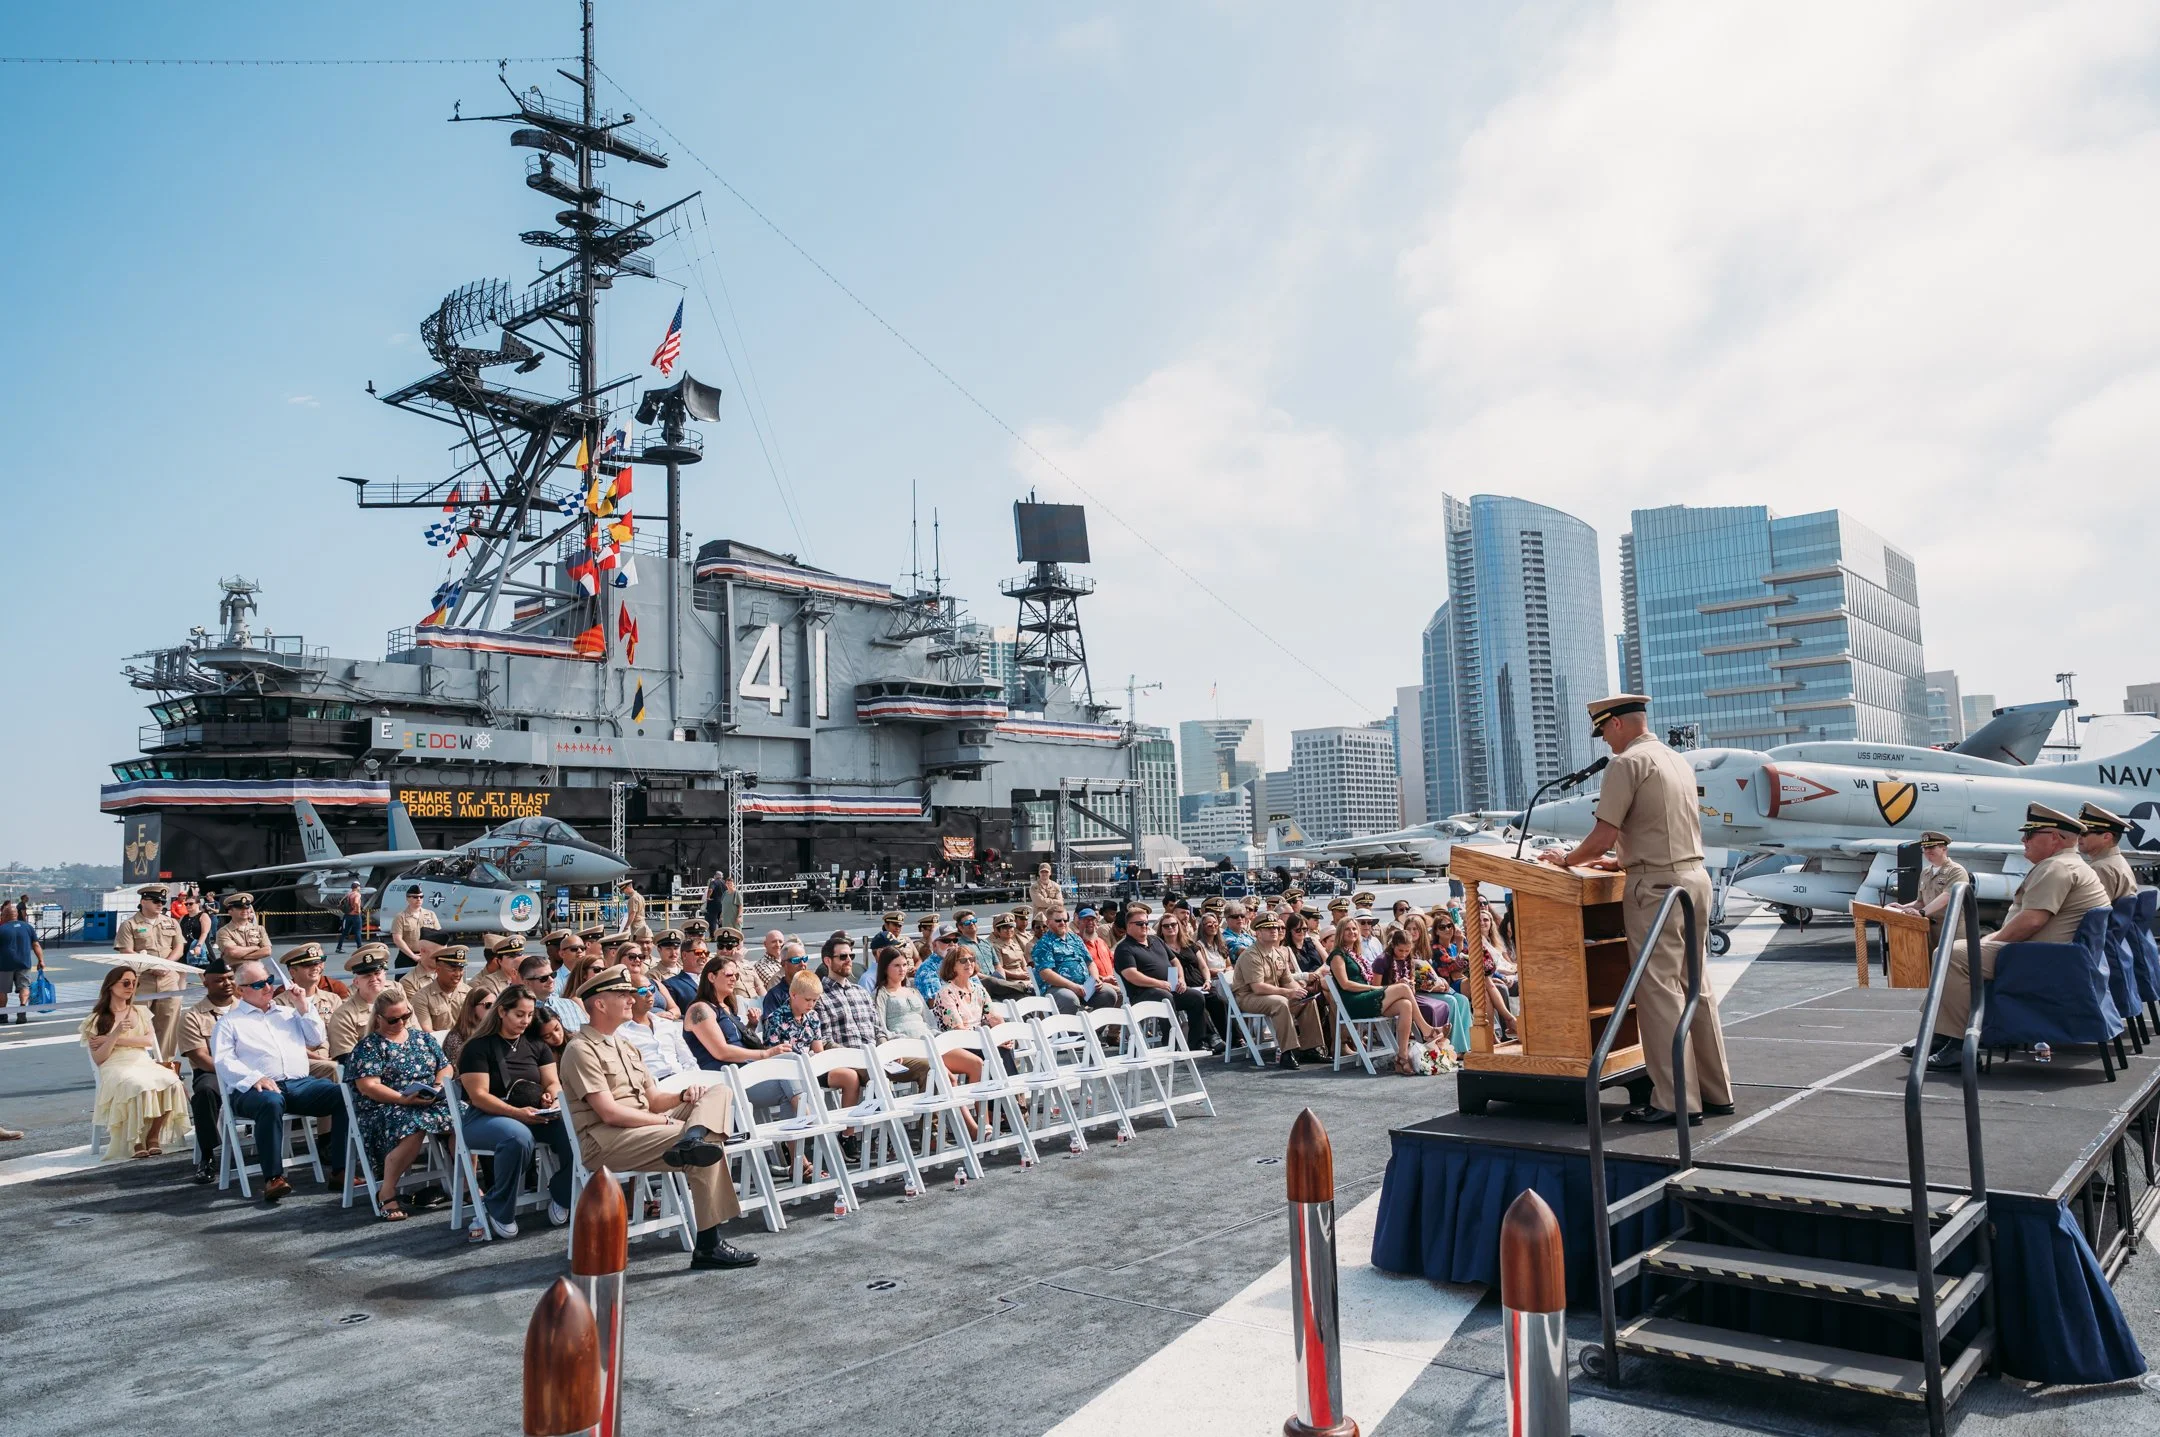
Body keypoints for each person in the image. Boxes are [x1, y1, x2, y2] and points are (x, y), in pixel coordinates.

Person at [1541, 694, 1734, 1124]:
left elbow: (1602, 834)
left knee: (1659, 991)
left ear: (1617, 726)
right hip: (1693, 877)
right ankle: (1715, 1091)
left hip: (1657, 886)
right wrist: (1621, 860)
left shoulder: (1626, 763)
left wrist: (1567, 860)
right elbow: (1660, 827)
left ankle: (1675, 1102)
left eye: (1605, 732)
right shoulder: (1676, 760)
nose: (1606, 743)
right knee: (1695, 984)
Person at [559, 965, 759, 1272]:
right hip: (606, 1139)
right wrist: (666, 1123)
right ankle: (708, 1245)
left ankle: (693, 1138)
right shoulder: (581, 1049)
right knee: (705, 1143)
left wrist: (682, 1098)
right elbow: (609, 1112)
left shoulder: (625, 1045)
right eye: (623, 994)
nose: (631, 999)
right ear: (599, 1004)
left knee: (718, 1092)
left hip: (643, 1125)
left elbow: (654, 1100)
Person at [1923, 803, 2112, 1068]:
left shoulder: (2056, 868)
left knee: (1950, 955)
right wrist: (1988, 940)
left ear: (2055, 837)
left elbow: (2032, 921)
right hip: (2054, 956)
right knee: (1958, 949)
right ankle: (1940, 1035)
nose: (2024, 840)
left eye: (2031, 834)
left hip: (2040, 959)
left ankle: (1956, 1044)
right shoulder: (2068, 864)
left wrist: (1990, 941)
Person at [212, 959, 349, 1203]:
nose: (267, 987)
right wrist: (255, 1077)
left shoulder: (288, 1013)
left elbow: (316, 1037)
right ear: (241, 990)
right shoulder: (229, 1022)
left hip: (298, 1084)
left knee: (342, 1094)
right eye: (258, 984)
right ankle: (273, 1178)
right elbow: (223, 1062)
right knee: (271, 1102)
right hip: (251, 1090)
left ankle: (341, 1171)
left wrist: (303, 1005)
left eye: (269, 981)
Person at [456, 983, 576, 1235]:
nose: (526, 1020)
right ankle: (497, 1206)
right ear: (501, 1012)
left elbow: (553, 1081)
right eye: (519, 1014)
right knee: (517, 1137)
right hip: (485, 1116)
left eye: (530, 1015)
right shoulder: (478, 1047)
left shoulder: (535, 1044)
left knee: (576, 1127)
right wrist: (516, 1113)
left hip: (532, 1112)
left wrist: (551, 1098)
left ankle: (563, 1193)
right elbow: (478, 1096)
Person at [347, 991, 455, 1224]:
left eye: (406, 1016)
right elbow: (368, 1086)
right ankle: (386, 1191)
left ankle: (465, 1184)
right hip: (385, 1106)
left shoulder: (422, 1038)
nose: (401, 1023)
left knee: (462, 1118)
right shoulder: (370, 1046)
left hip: (427, 1101)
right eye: (393, 1020)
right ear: (379, 1018)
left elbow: (445, 1067)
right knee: (414, 1124)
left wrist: (436, 1086)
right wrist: (402, 1099)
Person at [80, 966, 192, 1161]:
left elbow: (147, 1041)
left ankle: (153, 1135)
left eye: (134, 983)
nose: (130, 987)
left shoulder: (140, 1011)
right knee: (138, 1085)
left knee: (173, 1082)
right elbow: (100, 1059)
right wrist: (114, 1034)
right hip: (115, 1065)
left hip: (141, 1061)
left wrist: (113, 1040)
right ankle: (135, 1140)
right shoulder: (96, 1019)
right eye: (125, 982)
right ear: (110, 986)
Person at [682, 955, 801, 1112]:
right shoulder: (700, 1009)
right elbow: (721, 1051)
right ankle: (811, 1125)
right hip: (723, 1080)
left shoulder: (726, 1008)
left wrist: (751, 1026)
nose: (734, 979)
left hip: (745, 1073)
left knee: (791, 1062)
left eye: (736, 976)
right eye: (729, 975)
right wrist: (765, 1054)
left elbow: (736, 1041)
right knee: (788, 1076)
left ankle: (800, 1130)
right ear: (711, 977)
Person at [1114, 905, 1218, 1052]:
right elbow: (1132, 975)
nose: (1144, 926)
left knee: (1196, 997)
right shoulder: (1124, 948)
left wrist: (1180, 978)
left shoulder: (1156, 940)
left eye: (1146, 923)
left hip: (1168, 988)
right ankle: (1170, 1043)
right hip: (1142, 994)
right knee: (1164, 996)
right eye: (1139, 924)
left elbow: (1174, 961)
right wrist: (1160, 984)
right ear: (1128, 926)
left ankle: (1196, 1043)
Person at [1232, 915, 1327, 1069]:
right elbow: (1257, 987)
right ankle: (1287, 1052)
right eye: (1268, 928)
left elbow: (1287, 980)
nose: (1274, 931)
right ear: (1258, 932)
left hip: (1271, 995)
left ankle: (1310, 1048)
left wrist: (1299, 990)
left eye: (1275, 927)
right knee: (1281, 1003)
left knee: (1308, 1001)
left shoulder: (1277, 953)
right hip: (1249, 997)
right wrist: (1288, 993)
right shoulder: (1251, 955)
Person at [177, 957, 239, 1181]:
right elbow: (201, 1058)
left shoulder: (249, 1008)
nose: (227, 983)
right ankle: (208, 1155)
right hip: (214, 1072)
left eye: (231, 978)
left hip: (254, 1070)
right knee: (204, 1093)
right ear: (206, 982)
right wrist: (238, 1074)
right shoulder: (192, 1016)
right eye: (219, 980)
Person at [114, 884, 189, 1065]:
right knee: (138, 1022)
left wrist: (166, 964)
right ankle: (138, 1062)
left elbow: (178, 948)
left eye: (163, 902)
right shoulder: (130, 925)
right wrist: (151, 966)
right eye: (156, 901)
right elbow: (126, 951)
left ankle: (165, 1063)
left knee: (169, 1022)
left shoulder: (171, 923)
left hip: (168, 977)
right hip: (143, 979)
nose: (160, 905)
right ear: (143, 902)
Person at [1373, 926, 1452, 1052]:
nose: (1404, 954)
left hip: (1409, 996)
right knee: (1429, 1007)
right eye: (1400, 950)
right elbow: (1375, 988)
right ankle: (1428, 1031)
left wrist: (1410, 984)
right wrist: (1397, 985)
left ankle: (1438, 1044)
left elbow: (1412, 988)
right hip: (1386, 998)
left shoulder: (1409, 960)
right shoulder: (1382, 960)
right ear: (1393, 946)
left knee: (1442, 1005)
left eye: (1407, 951)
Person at [1032, 909, 1121, 1016]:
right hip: (1058, 987)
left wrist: (1095, 979)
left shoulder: (1075, 939)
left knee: (1109, 994)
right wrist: (1072, 986)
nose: (1063, 923)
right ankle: (1072, 1032)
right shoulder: (1044, 944)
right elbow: (1046, 973)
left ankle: (1093, 1031)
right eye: (1058, 920)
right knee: (1070, 999)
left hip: (1084, 986)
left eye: (1065, 920)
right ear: (1048, 923)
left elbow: (1090, 962)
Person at [619, 981, 701, 1092]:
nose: (649, 994)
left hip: (684, 1081)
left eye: (652, 989)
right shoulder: (621, 1032)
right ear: (628, 997)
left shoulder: (666, 1024)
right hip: (655, 1088)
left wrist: (695, 1082)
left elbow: (687, 1059)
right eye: (642, 991)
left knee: (722, 1091)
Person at [277, 943, 343, 1079]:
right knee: (334, 1069)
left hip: (331, 1057)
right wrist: (323, 1060)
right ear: (292, 972)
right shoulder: (280, 1003)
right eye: (308, 965)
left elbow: (339, 1035)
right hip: (300, 1061)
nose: (315, 968)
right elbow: (287, 1044)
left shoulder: (333, 999)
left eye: (318, 963)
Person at [326, 946, 395, 1063]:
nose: (374, 978)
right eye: (367, 976)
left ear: (385, 975)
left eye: (377, 973)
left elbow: (415, 1036)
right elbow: (347, 1057)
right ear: (356, 982)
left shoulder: (399, 1003)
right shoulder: (344, 1015)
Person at [1888, 832, 1972, 923]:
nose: (1927, 851)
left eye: (1931, 847)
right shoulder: (1925, 872)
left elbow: (1946, 897)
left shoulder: (1956, 871)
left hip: (1949, 930)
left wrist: (1922, 912)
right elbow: (1921, 902)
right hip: (1928, 929)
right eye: (1924, 848)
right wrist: (1903, 907)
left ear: (1944, 848)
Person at [401, 944, 471, 1034]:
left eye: (461, 969)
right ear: (438, 970)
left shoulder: (470, 993)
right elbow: (428, 1033)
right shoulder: (422, 998)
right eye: (453, 969)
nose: (458, 974)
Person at [2078, 804, 2139, 902]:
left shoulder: (2101, 868)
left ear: (2106, 837)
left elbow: (2090, 909)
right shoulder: (2117, 861)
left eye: (2084, 833)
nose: (2079, 837)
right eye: (2078, 832)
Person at [0, 900, 41, 1025]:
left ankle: (3, 1015)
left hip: (4, 964)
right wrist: (41, 960)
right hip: (24, 963)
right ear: (16, 914)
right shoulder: (28, 927)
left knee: (2, 990)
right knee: (24, 987)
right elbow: (36, 945)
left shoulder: (1, 929)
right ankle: (22, 1010)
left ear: (5, 915)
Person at [389, 885, 443, 973]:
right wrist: (413, 956)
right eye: (415, 897)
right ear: (407, 898)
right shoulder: (400, 917)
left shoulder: (430, 914)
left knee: (427, 984)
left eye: (421, 897)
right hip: (407, 958)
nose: (419, 899)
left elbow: (438, 936)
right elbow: (397, 939)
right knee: (404, 985)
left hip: (427, 956)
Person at [980, 914, 1035, 1000]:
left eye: (1011, 927)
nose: (1009, 930)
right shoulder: (996, 946)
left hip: (1025, 978)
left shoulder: (1015, 944)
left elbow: (1023, 964)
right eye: (1005, 928)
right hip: (1012, 981)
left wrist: (1026, 974)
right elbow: (999, 968)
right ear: (998, 931)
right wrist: (1018, 976)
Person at [213, 892, 273, 969]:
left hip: (256, 971)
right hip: (235, 972)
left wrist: (243, 956)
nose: (245, 911)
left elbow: (267, 951)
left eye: (247, 908)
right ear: (230, 911)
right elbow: (233, 952)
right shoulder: (223, 932)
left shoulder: (259, 929)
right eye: (240, 908)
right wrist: (256, 948)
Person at [443, 986, 497, 1065]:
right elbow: (459, 1069)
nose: (493, 1010)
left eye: (495, 1005)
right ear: (472, 1008)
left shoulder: (495, 1031)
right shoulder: (455, 1038)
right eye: (488, 1005)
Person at [469, 934, 528, 1001]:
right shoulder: (490, 982)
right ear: (499, 961)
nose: (516, 960)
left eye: (519, 956)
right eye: (511, 957)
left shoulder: (527, 975)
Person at [335, 880, 365, 953]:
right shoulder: (357, 894)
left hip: (347, 915)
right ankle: (359, 947)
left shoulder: (348, 894)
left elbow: (340, 902)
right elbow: (356, 902)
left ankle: (339, 948)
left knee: (344, 932)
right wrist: (358, 910)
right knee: (357, 931)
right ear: (357, 887)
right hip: (355, 916)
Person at [620, 877, 652, 941]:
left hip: (637, 925)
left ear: (628, 887)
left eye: (624, 890)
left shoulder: (633, 898)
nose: (623, 892)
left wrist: (626, 927)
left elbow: (632, 914)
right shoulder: (640, 896)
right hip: (642, 923)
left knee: (636, 944)